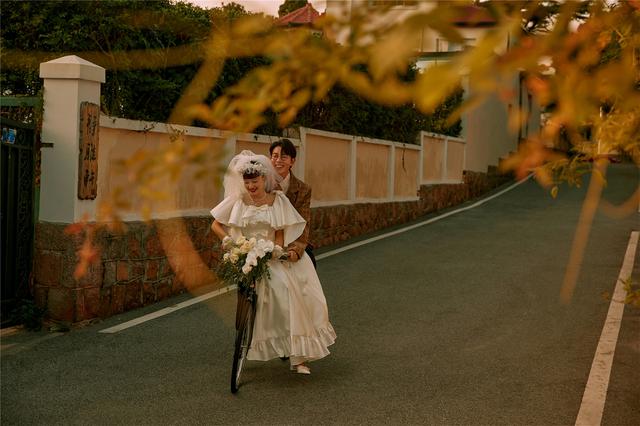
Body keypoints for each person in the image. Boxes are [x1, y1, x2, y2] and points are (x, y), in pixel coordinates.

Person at [210, 151, 336, 375]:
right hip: (244, 253)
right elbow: (216, 225)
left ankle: (298, 357)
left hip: (269, 255)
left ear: (264, 179)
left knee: (285, 289)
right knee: (252, 290)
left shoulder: (276, 200)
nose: (250, 186)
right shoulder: (238, 200)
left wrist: (276, 250)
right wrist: (230, 241)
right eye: (247, 182)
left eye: (255, 181)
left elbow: (278, 234)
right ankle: (245, 342)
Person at [269, 139, 316, 267]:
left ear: (292, 161)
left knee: (307, 266)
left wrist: (295, 249)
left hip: (292, 241)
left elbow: (303, 221)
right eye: (275, 156)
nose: (278, 161)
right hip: (266, 242)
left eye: (283, 157)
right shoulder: (262, 185)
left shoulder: (303, 189)